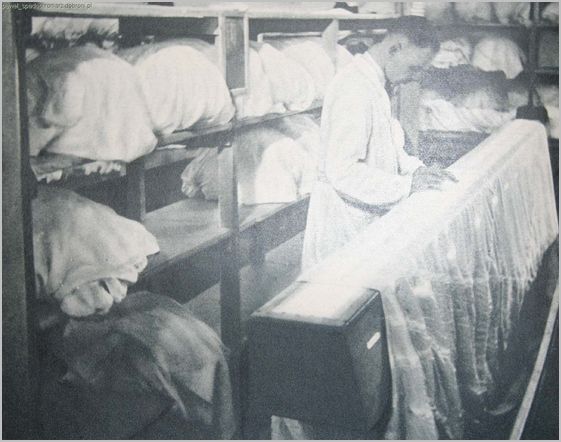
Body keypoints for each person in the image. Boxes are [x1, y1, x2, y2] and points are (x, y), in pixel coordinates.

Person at [301, 15, 457, 271]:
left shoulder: (375, 83)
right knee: (342, 285)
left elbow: (390, 146)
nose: (414, 78)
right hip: (344, 220)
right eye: (413, 69)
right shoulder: (354, 88)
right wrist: (406, 185)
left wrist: (418, 170)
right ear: (395, 48)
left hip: (363, 211)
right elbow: (342, 171)